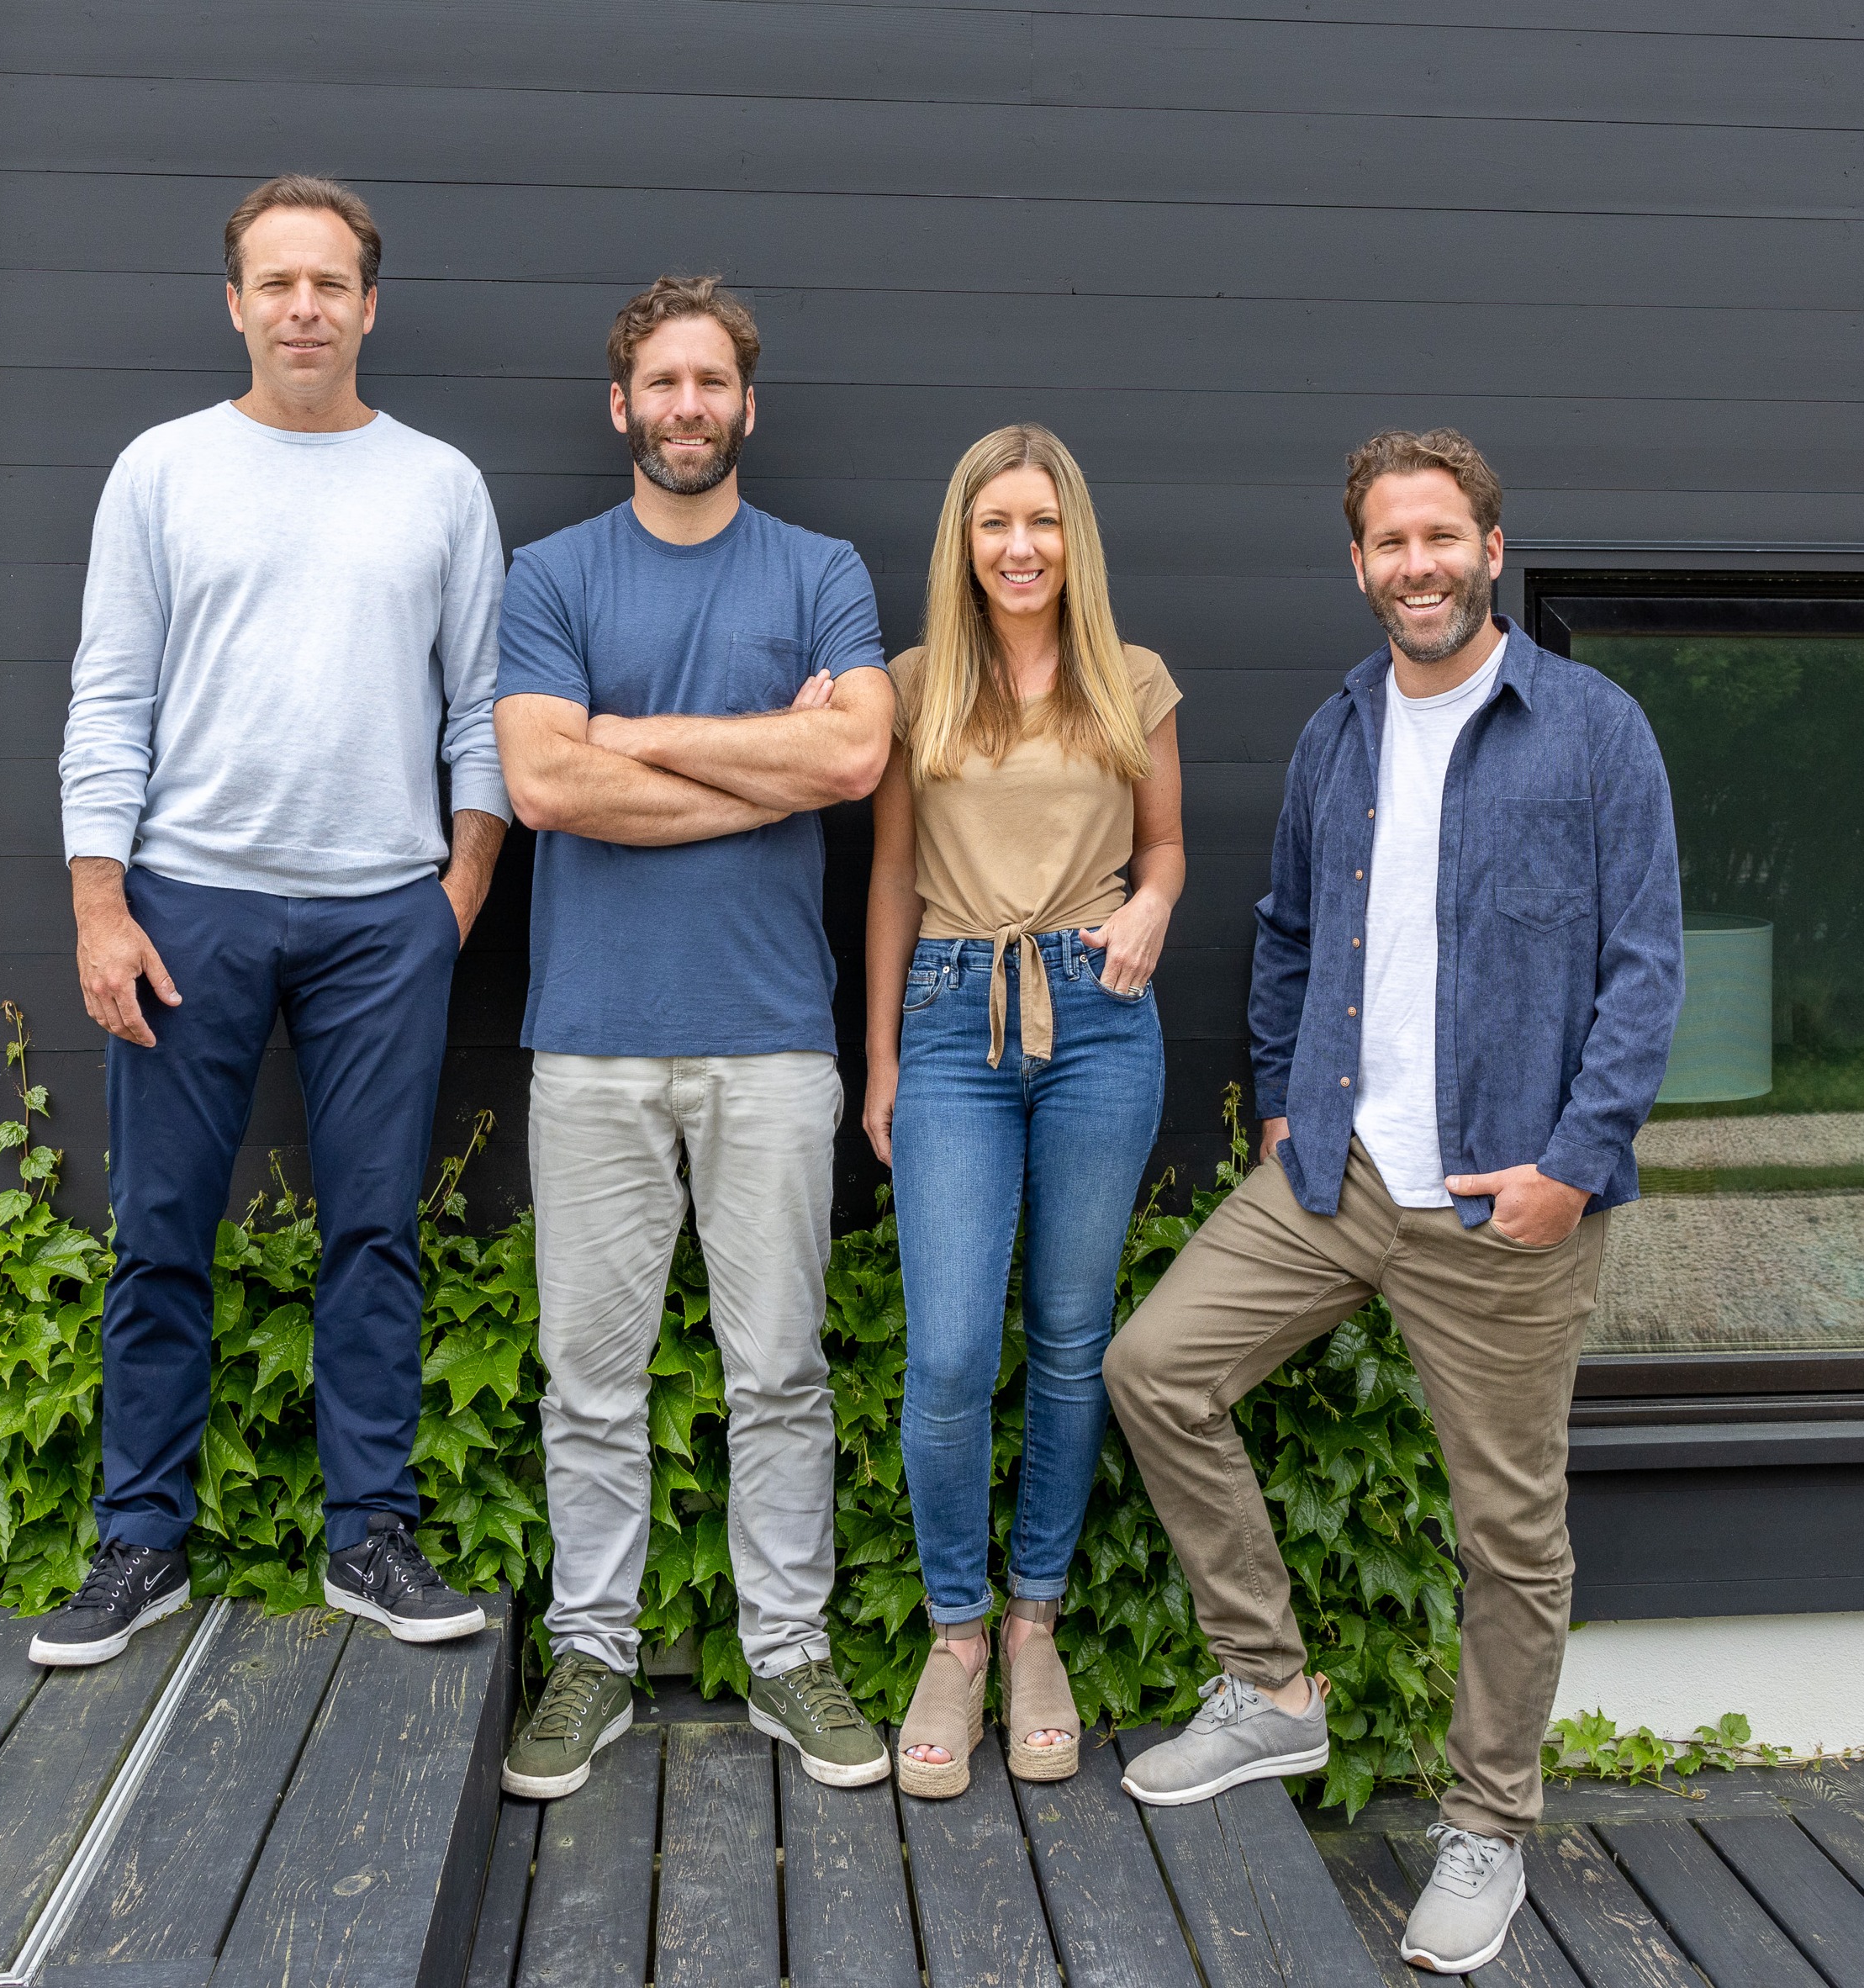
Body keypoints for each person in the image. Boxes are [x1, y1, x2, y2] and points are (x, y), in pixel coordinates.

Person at [1104, 429, 1682, 1973]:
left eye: (1441, 537)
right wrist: (1290, 1105)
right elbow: (1290, 929)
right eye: (1388, 543)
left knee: (1512, 1538)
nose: (1416, 566)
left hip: (1505, 1205)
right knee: (1154, 1370)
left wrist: (1572, 1166)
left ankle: (1488, 1826)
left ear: (1491, 548)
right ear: (1357, 563)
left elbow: (1645, 970)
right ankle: (1271, 1689)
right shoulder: (1340, 730)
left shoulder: (1593, 729)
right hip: (1339, 1176)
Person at [37, 176, 508, 1667]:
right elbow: (108, 698)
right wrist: (100, 903)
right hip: (188, 903)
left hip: (384, 917)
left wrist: (457, 895)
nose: (305, 307)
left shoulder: (441, 485)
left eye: (331, 283)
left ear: (371, 305)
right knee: (160, 1234)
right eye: (277, 283)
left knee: (375, 1234)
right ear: (235, 303)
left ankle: (371, 1534)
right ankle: (139, 1543)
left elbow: (481, 712)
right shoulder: (163, 471)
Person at [492, 275, 895, 1799]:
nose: (686, 406)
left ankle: (789, 1653)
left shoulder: (819, 569)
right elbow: (544, 787)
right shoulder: (552, 575)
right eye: (662, 382)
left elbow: (855, 756)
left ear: (747, 405)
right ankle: (591, 1658)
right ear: (622, 405)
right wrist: (766, 761)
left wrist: (631, 735)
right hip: (592, 1038)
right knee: (588, 1380)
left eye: (711, 382)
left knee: (779, 1370)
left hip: (772, 1037)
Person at [863, 426, 1185, 1799]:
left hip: (1100, 1014)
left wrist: (1155, 904)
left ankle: (1034, 1621)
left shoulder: (1133, 678)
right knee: (947, 1354)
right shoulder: (914, 686)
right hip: (952, 1013)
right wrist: (882, 1057)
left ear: (1074, 537)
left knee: (1068, 1338)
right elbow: (890, 875)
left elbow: (1164, 846)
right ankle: (955, 1633)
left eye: (1042, 521)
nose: (1019, 546)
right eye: (994, 522)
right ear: (963, 539)